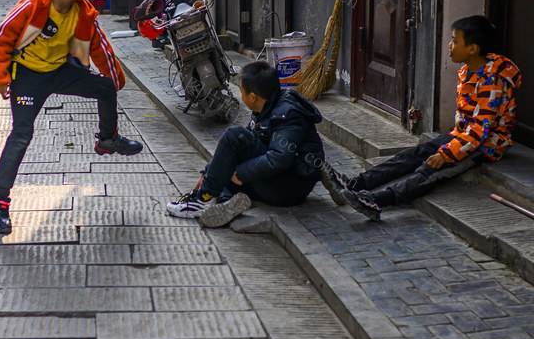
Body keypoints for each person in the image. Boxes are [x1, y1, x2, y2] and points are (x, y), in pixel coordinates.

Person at [0, 0, 143, 235]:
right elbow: (0, 38)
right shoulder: (33, 6)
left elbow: (99, 46)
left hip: (60, 71)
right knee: (22, 134)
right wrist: (0, 78)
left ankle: (107, 140)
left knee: (104, 87)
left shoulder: (83, 12)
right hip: (28, 77)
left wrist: (115, 78)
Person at [322, 15, 522, 221]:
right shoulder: (467, 71)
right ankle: (354, 184)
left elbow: (480, 129)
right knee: (413, 154)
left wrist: (446, 154)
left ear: (473, 49)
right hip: (463, 135)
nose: (450, 46)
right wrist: (448, 146)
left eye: (455, 40)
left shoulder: (492, 82)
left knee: (431, 169)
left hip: (486, 144)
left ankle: (378, 201)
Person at [167, 60, 325, 228]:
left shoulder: (289, 114)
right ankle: (224, 201)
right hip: (277, 178)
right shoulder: (266, 105)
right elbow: (247, 142)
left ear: (252, 96)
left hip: (289, 188)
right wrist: (208, 173)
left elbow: (278, 159)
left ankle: (205, 199)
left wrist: (240, 173)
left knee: (233, 137)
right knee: (226, 163)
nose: (240, 97)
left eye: (241, 92)